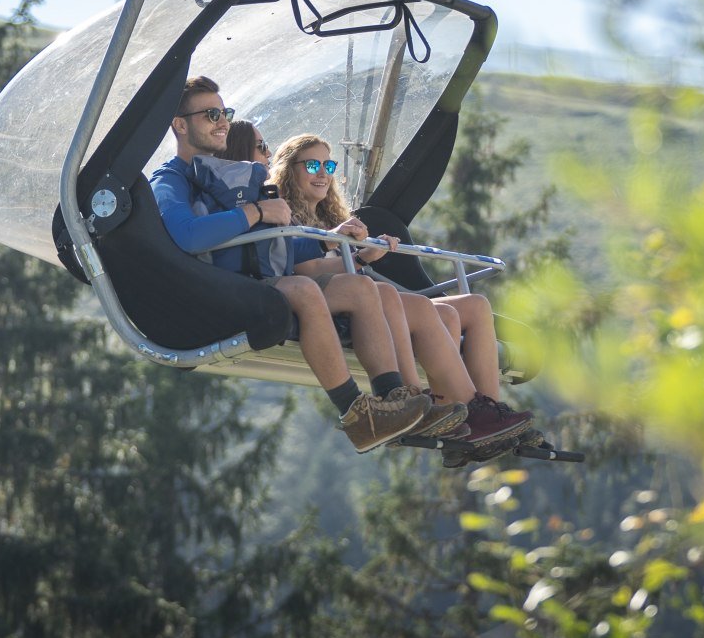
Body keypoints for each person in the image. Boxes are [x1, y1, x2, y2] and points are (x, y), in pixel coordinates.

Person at [147, 77, 436, 453]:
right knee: (300, 289)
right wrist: (255, 212)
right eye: (211, 114)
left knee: (364, 288)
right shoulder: (171, 180)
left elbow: (273, 249)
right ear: (180, 125)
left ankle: (393, 399)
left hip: (256, 279)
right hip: (216, 291)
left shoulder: (230, 179)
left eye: (225, 113)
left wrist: (329, 239)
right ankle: (355, 412)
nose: (222, 122)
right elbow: (187, 235)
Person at [268, 133, 534, 450]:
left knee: (471, 305)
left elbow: (343, 267)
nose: (323, 173)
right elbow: (300, 268)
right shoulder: (285, 214)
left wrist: (365, 254)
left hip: (358, 292)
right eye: (312, 164)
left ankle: (482, 413)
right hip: (337, 299)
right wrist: (357, 257)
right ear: (289, 170)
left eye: (329, 164)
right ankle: (454, 410)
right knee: (418, 307)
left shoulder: (334, 218)